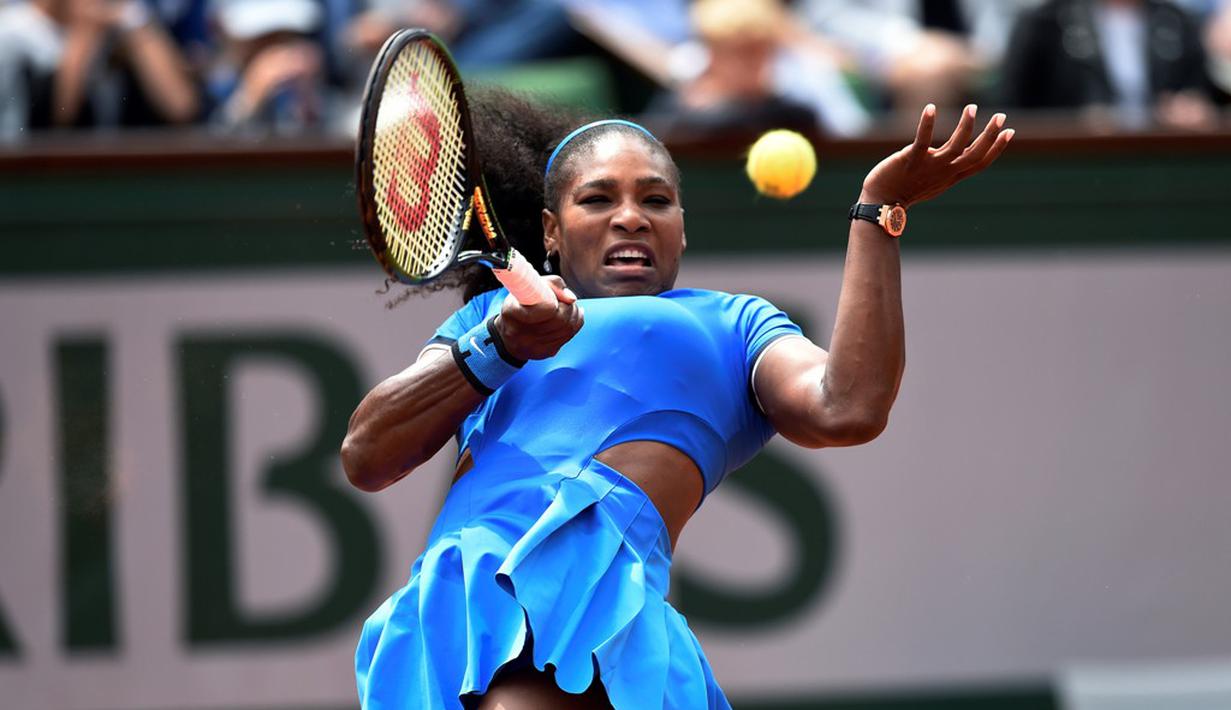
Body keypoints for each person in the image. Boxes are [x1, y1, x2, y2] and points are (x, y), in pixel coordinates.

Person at [341, 91, 1014, 709]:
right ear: (550, 231)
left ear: (682, 229)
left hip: (588, 611)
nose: (630, 217)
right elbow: (368, 455)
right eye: (598, 200)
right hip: (458, 610)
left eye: (655, 201)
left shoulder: (733, 324)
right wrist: (500, 344)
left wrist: (877, 214)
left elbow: (847, 408)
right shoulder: (488, 318)